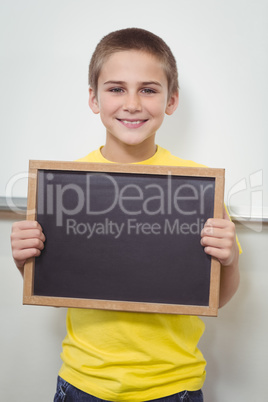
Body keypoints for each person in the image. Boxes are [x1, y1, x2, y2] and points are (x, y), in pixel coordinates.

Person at [11, 28, 240, 402]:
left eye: (148, 89)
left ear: (171, 100)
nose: (132, 104)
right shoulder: (63, 185)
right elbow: (54, 282)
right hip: (84, 381)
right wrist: (26, 259)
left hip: (173, 384)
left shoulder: (201, 188)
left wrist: (228, 259)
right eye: (116, 88)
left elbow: (220, 294)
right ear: (93, 98)